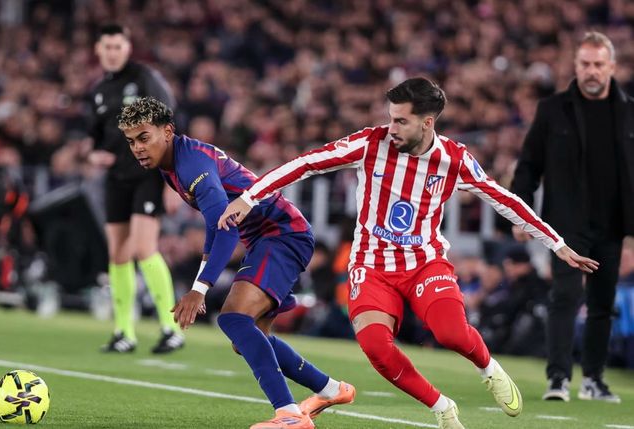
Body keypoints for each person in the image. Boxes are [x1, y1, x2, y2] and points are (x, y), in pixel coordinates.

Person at [219, 77, 598, 429]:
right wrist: (250, 197)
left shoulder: (454, 159)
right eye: (391, 118)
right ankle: (441, 407)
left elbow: (505, 199)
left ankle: (488, 368)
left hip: (424, 262)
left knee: (451, 333)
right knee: (376, 347)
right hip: (371, 265)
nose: (392, 128)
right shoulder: (370, 144)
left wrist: (557, 244)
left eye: (401, 121)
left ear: (427, 123)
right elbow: (305, 164)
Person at [118, 96, 355, 429]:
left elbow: (226, 229)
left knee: (233, 319)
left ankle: (289, 415)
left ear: (167, 131)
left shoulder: (192, 166)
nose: (138, 148)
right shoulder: (172, 163)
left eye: (144, 137)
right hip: (266, 238)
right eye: (131, 141)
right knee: (247, 338)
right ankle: (331, 390)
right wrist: (200, 280)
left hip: (282, 233)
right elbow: (215, 225)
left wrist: (199, 290)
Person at [511, 31, 634, 403]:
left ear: (611, 67)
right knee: (565, 296)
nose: (592, 71)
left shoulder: (629, 110)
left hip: (612, 224)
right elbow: (528, 165)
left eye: (598, 64)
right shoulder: (553, 109)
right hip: (565, 225)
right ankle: (558, 379)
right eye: (585, 64)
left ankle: (593, 379)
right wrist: (520, 214)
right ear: (575, 66)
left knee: (602, 303)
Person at [86, 24, 183, 354]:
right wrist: (95, 154)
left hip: (148, 174)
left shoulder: (144, 78)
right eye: (107, 47)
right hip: (116, 178)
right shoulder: (99, 90)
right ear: (99, 50)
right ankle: (124, 332)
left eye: (118, 46)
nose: (113, 52)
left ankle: (171, 328)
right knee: (118, 254)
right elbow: (95, 138)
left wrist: (173, 179)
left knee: (144, 248)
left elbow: (168, 121)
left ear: (127, 48)